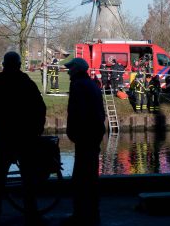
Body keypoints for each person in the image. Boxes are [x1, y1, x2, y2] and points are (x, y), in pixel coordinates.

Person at [0, 51, 47, 226]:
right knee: (28, 178)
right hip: (25, 139)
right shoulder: (27, 84)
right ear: (18, 65)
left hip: (3, 138)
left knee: (0, 178)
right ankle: (31, 214)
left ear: (3, 64)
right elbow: (40, 109)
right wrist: (36, 129)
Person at [63, 58, 105, 226]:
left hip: (85, 136)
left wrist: (74, 132)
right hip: (94, 134)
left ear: (77, 70)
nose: (68, 71)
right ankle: (93, 212)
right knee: (90, 174)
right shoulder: (91, 85)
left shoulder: (78, 85)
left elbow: (78, 112)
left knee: (81, 177)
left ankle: (80, 215)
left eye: (70, 68)